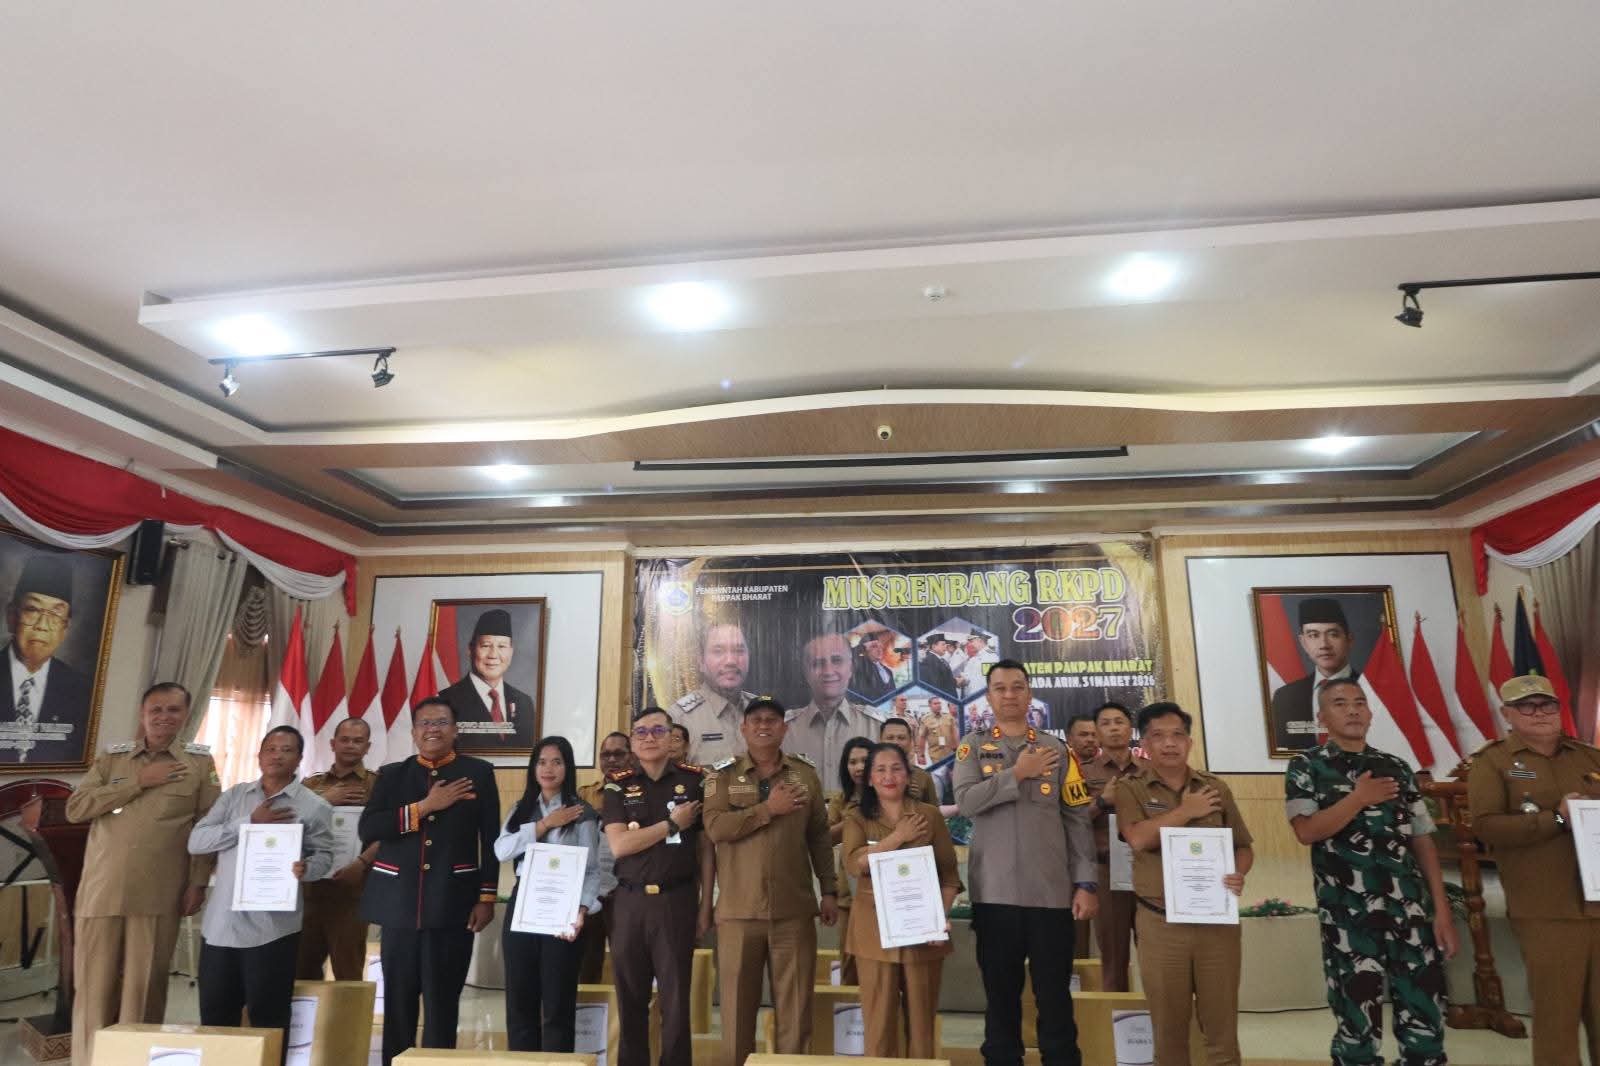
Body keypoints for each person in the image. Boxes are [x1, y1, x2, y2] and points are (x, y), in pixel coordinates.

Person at [1286, 678, 1457, 1066]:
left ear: (1370, 712)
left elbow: (1422, 841)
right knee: (1356, 1017)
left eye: (1359, 702)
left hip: (1408, 909)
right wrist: (1358, 799)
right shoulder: (1306, 766)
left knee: (1424, 1009)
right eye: (1340, 703)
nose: (1352, 710)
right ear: (1321, 717)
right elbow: (1307, 831)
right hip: (1348, 914)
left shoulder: (1396, 768)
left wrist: (1441, 910)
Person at [66, 682, 220, 1064]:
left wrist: (198, 883)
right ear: (142, 714)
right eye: (156, 709)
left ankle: (134, 1059)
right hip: (103, 890)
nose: (164, 717)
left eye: (173, 710)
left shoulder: (199, 765)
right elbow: (76, 809)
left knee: (145, 988)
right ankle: (88, 1059)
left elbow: (208, 827)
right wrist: (139, 781)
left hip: (159, 893)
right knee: (93, 987)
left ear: (185, 715)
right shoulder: (112, 759)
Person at [954, 659, 1097, 1066]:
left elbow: (1076, 818)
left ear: (1029, 693)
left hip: (1050, 893)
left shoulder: (1057, 749)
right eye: (1000, 688)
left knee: (1054, 995)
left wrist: (1085, 883)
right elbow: (966, 802)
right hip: (995, 892)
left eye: (1017, 687)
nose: (1010, 695)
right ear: (988, 696)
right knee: (1001, 996)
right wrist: (1016, 774)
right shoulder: (971, 747)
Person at [1467, 673, 1600, 1066]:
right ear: (1507, 714)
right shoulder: (1493, 763)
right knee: (1557, 1019)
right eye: (1526, 706)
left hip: (1598, 900)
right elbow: (1486, 827)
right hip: (1547, 908)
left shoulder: (1589, 758)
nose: (1539, 712)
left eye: (1547, 704)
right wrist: (1554, 818)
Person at [359, 697, 500, 1065]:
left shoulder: (479, 772)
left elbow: (491, 840)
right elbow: (369, 828)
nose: (432, 729)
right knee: (398, 1007)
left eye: (441, 722)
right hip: (399, 906)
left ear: (455, 730)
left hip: (452, 904)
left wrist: (486, 897)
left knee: (442, 1006)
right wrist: (424, 807)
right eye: (424, 723)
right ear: (413, 732)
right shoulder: (392, 775)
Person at [1115, 702, 1253, 1066]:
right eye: (1158, 736)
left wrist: (1238, 873)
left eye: (1178, 735)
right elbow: (1138, 838)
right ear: (1144, 744)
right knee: (1169, 1030)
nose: (1169, 743)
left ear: (1189, 742)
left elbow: (1242, 846)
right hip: (1161, 925)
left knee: (1222, 1031)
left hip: (1216, 924)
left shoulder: (1215, 788)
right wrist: (1186, 811)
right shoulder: (1130, 788)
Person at [703, 697, 837, 1066]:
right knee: (735, 1013)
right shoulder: (720, 776)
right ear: (743, 728)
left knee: (796, 1012)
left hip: (793, 912)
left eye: (772, 720)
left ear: (784, 728)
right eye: (757, 720)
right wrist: (768, 810)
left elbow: (819, 837)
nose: (764, 725)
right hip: (738, 912)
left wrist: (828, 889)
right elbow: (715, 828)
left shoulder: (804, 775)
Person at [188, 726, 335, 1061]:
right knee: (216, 1018)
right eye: (270, 748)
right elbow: (197, 841)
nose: (276, 755)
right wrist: (249, 822)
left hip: (273, 930)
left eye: (286, 750)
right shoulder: (235, 797)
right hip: (222, 928)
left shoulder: (314, 806)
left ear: (299, 758)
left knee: (270, 1019)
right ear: (259, 755)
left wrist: (308, 868)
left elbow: (325, 857)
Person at [602, 708, 715, 1066]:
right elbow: (619, 845)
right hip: (629, 903)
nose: (649, 737)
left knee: (677, 1002)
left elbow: (705, 849)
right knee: (631, 999)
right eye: (641, 732)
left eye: (657, 730)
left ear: (671, 737)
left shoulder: (695, 781)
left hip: (677, 900)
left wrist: (706, 905)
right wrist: (671, 824)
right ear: (632, 741)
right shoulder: (618, 784)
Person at [844, 742, 961, 1058]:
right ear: (870, 779)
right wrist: (898, 837)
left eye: (896, 769)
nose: (888, 776)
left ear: (908, 775)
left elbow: (950, 877)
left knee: (921, 1029)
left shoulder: (929, 815)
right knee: (878, 1027)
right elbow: (855, 864)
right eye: (880, 770)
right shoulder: (856, 817)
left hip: (923, 934)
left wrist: (938, 919)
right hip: (873, 936)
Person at [496, 735, 607, 1052]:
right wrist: (543, 825)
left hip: (564, 909)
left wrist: (581, 910)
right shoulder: (521, 809)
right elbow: (502, 850)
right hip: (524, 905)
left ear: (568, 768)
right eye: (542, 762)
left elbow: (592, 870)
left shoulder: (582, 813)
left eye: (557, 762)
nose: (548, 769)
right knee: (520, 999)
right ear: (533, 768)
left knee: (558, 1001)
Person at [297, 716, 378, 981]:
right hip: (310, 891)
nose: (350, 745)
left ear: (367, 746)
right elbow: (290, 825)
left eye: (358, 741)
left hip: (352, 894)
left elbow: (388, 834)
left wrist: (362, 863)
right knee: (302, 970)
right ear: (333, 744)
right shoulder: (311, 785)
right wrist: (324, 800)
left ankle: (347, 1013)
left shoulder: (378, 785)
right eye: (344, 740)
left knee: (348, 972)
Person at [2, 552, 92, 764]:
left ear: (65, 628)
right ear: (11, 617)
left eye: (55, 614)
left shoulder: (83, 691)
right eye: (32, 609)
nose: (42, 625)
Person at [1083, 702, 1147, 991]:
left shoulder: (1150, 770)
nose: (1113, 728)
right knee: (1112, 955)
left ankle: (1158, 1013)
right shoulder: (1082, 772)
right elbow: (1070, 822)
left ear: (1130, 729)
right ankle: (1117, 1015)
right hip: (1106, 872)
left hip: (1147, 868)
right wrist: (1101, 802)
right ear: (1097, 732)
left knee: (1156, 952)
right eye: (1105, 723)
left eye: (1119, 722)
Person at [786, 632, 885, 783]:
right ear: (806, 673)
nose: (828, 671)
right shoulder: (783, 731)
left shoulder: (877, 727)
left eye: (837, 660)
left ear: (851, 668)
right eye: (818, 663)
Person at [575, 730, 631, 983]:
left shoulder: (641, 792)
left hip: (627, 890)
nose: (611, 760)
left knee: (629, 960)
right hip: (592, 890)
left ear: (631, 757)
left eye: (619, 754)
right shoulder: (584, 795)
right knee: (587, 962)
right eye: (605, 755)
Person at [437, 608, 537, 748]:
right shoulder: (445, 701)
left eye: (502, 646)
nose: (493, 655)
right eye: (486, 645)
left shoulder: (524, 703)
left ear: (511, 651)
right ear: (470, 649)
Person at [1270, 598, 1360, 752]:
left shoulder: (1371, 691)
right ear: (1303, 642)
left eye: (1333, 634)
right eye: (1313, 635)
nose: (1324, 645)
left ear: (1349, 639)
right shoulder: (1284, 698)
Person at [673, 622, 757, 764]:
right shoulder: (679, 718)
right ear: (701, 662)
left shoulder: (763, 711)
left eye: (739, 651)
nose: (731, 661)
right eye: (718, 651)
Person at [828, 736, 874, 986]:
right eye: (852, 762)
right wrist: (853, 820)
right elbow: (825, 838)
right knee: (849, 964)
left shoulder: (888, 795)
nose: (858, 767)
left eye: (864, 761)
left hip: (883, 894)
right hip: (849, 894)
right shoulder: (841, 799)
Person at [1064, 714, 1102, 961]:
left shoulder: (1111, 770)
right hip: (1072, 867)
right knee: (1074, 941)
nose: (1090, 739)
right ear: (1069, 738)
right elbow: (1070, 820)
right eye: (1083, 734)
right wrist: (1102, 801)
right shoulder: (1060, 771)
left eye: (1093, 735)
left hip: (1110, 864)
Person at [880, 716, 953, 814]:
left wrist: (916, 803)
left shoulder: (923, 777)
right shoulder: (869, 775)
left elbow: (934, 815)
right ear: (880, 740)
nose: (896, 742)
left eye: (901, 738)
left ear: (910, 741)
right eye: (890, 738)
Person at [851, 629, 898, 702]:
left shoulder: (888, 671)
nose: (879, 649)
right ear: (865, 649)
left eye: (880, 646)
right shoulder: (860, 664)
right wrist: (862, 646)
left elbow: (894, 694)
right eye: (874, 646)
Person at [918, 695, 959, 765]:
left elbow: (955, 735)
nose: (938, 705)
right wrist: (921, 755)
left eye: (939, 703)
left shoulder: (949, 717)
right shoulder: (925, 720)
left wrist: (958, 750)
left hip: (950, 753)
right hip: (935, 755)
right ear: (930, 705)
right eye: (935, 703)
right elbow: (922, 738)